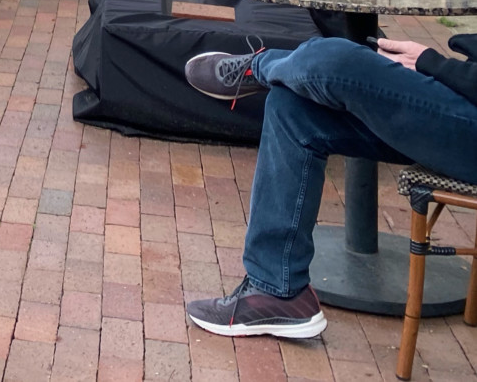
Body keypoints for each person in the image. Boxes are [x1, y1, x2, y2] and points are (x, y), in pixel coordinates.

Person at [182, 36, 477, 340]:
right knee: (292, 106)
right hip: (462, 94)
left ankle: (258, 66)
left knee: (336, 60)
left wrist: (430, 63)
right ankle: (276, 290)